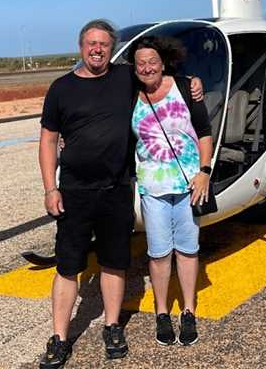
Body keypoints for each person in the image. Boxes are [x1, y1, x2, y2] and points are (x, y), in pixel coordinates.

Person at [37, 20, 202, 366]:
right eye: (91, 43)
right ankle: (59, 337)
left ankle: (113, 327)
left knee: (114, 262)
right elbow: (48, 140)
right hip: (74, 191)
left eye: (104, 44)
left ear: (112, 49)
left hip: (116, 189)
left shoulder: (124, 77)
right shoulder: (61, 88)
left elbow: (158, 70)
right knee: (68, 266)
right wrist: (50, 187)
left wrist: (193, 82)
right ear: (81, 46)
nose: (97, 49)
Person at [127, 35, 213, 347]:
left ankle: (188, 310)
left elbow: (204, 131)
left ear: (163, 62)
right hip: (153, 187)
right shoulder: (131, 95)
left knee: (188, 250)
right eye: (140, 64)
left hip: (191, 185)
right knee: (159, 253)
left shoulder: (186, 87)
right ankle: (162, 312)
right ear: (134, 69)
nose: (147, 68)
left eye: (152, 61)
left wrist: (205, 172)